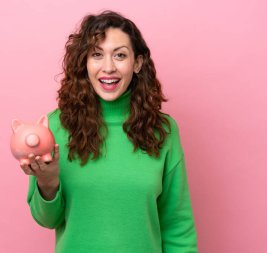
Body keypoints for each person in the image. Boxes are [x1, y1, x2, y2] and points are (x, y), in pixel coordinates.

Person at [20, 10, 198, 253]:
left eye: (120, 55)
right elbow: (46, 220)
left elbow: (177, 224)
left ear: (137, 63)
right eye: (96, 54)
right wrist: (47, 182)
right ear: (84, 62)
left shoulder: (163, 131)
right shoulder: (54, 127)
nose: (108, 67)